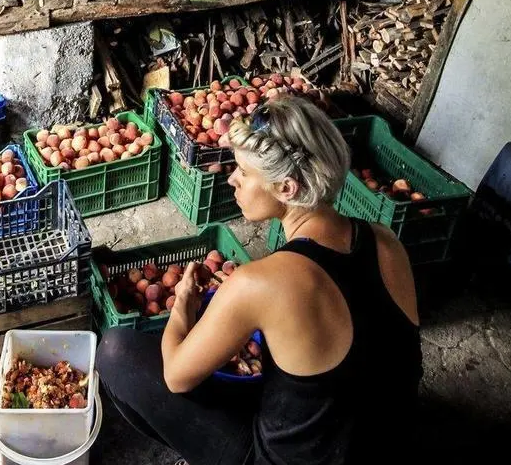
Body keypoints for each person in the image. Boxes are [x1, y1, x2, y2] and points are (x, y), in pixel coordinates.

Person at [96, 96, 423, 465]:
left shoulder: (261, 283)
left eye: (244, 173)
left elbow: (175, 377)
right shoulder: (385, 240)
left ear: (286, 188)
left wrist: (183, 309)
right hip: (389, 446)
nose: (232, 179)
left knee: (116, 352)